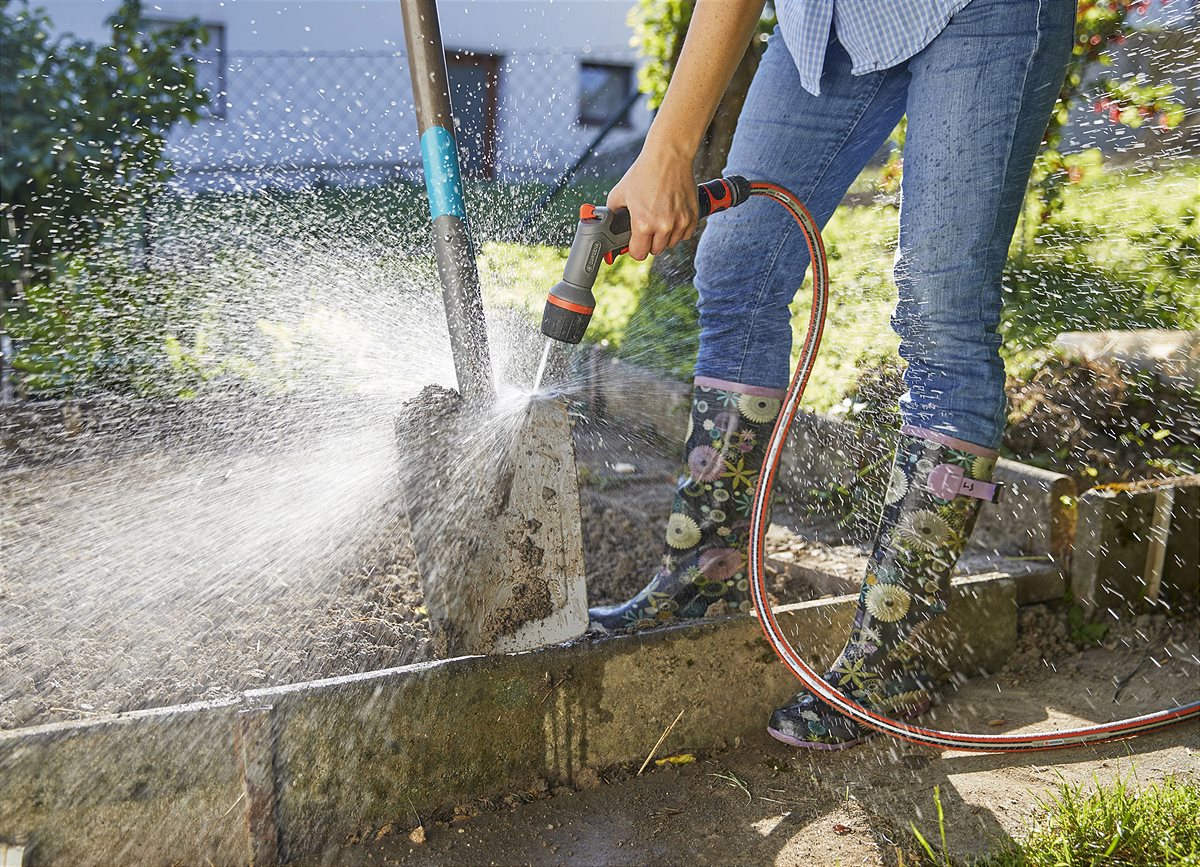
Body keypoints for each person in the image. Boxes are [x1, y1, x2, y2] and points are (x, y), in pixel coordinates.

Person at [588, 0, 1075, 749]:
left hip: (981, 10)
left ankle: (893, 655)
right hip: (832, 16)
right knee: (739, 265)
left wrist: (669, 148)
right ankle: (705, 571)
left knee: (940, 307)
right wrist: (668, 149)